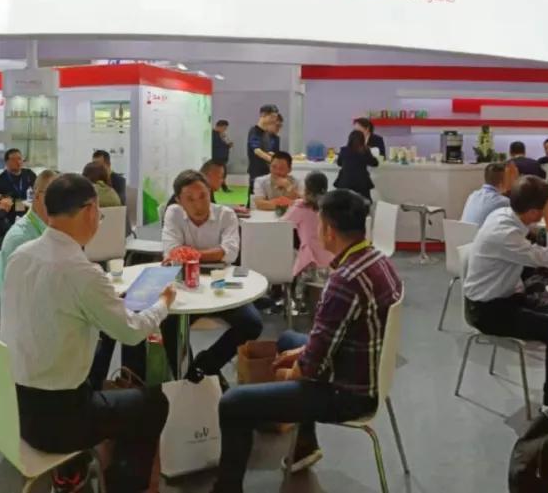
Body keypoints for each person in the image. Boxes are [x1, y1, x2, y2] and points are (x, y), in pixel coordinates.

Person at [210, 189, 403, 492]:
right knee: (289, 338)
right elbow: (329, 339)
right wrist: (300, 352)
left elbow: (311, 368)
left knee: (233, 403)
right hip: (369, 371)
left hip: (348, 394)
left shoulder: (344, 282)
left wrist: (289, 372)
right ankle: (304, 444)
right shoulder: (378, 259)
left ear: (328, 230)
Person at [1, 174, 173, 493]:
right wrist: (163, 303)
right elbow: (132, 332)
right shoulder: (81, 272)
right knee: (153, 403)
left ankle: (76, 470)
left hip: (11, 406)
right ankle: (125, 485)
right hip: (57, 422)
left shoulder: (20, 255)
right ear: (90, 211)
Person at [463, 175, 548, 408]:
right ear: (535, 211)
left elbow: (537, 240)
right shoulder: (505, 235)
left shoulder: (504, 214)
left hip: (508, 298)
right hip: (487, 310)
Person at [162, 169, 261, 382]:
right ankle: (187, 378)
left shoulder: (226, 215)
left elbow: (230, 252)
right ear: (179, 200)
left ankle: (205, 365)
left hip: (221, 282)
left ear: (210, 192)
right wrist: (211, 253)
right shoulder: (173, 213)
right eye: (190, 199)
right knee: (168, 323)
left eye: (203, 196)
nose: (198, 205)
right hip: (185, 286)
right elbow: (171, 251)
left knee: (252, 323)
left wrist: (188, 254)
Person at [0, 169, 58, 271]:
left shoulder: (52, 228)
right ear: (37, 196)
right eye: (53, 195)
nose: (59, 202)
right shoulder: (20, 239)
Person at [281, 171, 336, 277]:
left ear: (306, 188)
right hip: (331, 257)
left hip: (310, 260)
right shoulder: (331, 206)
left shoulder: (301, 207)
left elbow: (283, 225)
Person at [0, 148, 37, 223]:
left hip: (30, 216)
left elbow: (38, 189)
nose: (18, 162)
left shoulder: (29, 174)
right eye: (14, 160)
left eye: (19, 159)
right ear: (6, 162)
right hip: (9, 219)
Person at [334, 130, 379, 201]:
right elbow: (375, 163)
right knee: (365, 202)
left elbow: (339, 163)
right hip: (361, 184)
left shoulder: (344, 150)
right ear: (363, 140)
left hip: (345, 183)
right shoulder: (364, 151)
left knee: (343, 203)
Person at [246, 105, 279, 199]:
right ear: (263, 115)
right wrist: (272, 160)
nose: (274, 120)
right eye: (272, 117)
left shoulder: (266, 133)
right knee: (255, 199)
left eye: (275, 117)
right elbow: (257, 151)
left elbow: (266, 150)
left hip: (266, 171)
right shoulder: (254, 131)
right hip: (256, 172)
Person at [212, 119, 233, 190]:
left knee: (223, 173)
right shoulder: (213, 135)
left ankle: (223, 186)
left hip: (222, 158)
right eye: (224, 128)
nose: (225, 130)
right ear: (220, 127)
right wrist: (227, 145)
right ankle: (221, 187)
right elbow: (217, 146)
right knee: (219, 173)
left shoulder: (221, 135)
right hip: (216, 158)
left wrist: (228, 145)